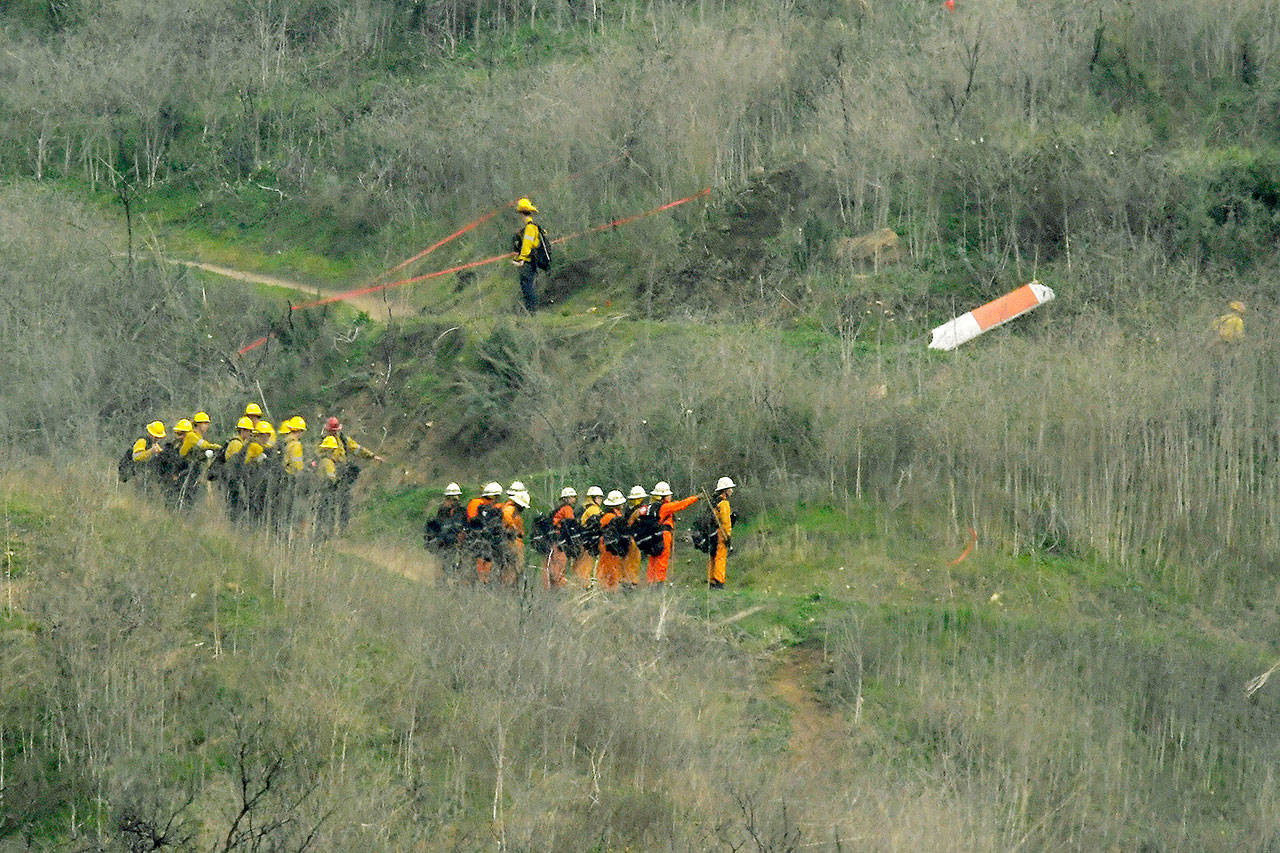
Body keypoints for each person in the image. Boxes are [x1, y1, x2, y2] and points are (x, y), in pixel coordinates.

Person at [320, 416, 384, 533]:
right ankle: (327, 531)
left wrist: (371, 456)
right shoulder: (322, 442)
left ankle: (343, 529)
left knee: (344, 500)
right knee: (329, 504)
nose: (334, 433)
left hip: (342, 473)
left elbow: (356, 448)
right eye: (332, 431)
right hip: (328, 477)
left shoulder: (343, 439)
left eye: (335, 431)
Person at [645, 482, 700, 587]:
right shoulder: (665, 507)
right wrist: (695, 497)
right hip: (663, 535)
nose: (670, 496)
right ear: (663, 496)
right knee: (662, 560)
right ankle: (659, 585)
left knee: (653, 560)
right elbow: (681, 505)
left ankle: (651, 584)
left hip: (653, 535)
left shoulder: (651, 507)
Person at [426, 483, 467, 583]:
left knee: (459, 565)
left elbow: (465, 526)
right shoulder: (441, 511)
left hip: (457, 543)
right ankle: (441, 584)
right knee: (442, 564)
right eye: (450, 499)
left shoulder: (461, 511)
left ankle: (457, 584)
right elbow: (438, 528)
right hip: (443, 543)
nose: (452, 502)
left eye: (454, 499)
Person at [467, 481, 504, 584]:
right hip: (482, 538)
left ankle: (484, 580)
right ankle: (484, 581)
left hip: (480, 537)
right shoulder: (483, 506)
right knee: (485, 558)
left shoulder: (479, 505)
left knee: (485, 558)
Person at [511, 197, 544, 311]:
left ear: (522, 214)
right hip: (529, 262)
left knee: (527, 288)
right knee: (527, 288)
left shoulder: (530, 228)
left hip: (528, 263)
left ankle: (531, 312)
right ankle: (530, 311)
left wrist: (520, 260)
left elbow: (527, 246)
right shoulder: (530, 228)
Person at [546, 487, 578, 589]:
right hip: (559, 541)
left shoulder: (559, 509)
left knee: (554, 567)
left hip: (554, 540)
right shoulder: (567, 509)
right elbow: (570, 526)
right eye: (572, 497)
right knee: (559, 567)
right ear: (567, 499)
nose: (574, 499)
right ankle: (559, 590)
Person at [596, 490, 627, 592]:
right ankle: (606, 590)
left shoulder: (613, 515)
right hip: (608, 546)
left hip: (611, 545)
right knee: (609, 569)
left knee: (613, 568)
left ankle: (610, 589)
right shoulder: (610, 516)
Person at [573, 486, 604, 587]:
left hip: (581, 541)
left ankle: (578, 585)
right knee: (586, 566)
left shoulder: (583, 509)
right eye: (599, 497)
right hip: (588, 542)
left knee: (580, 566)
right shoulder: (594, 509)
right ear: (593, 498)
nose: (601, 500)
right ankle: (585, 587)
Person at [708, 477, 736, 589]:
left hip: (712, 532)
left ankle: (712, 581)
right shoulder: (724, 503)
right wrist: (728, 536)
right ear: (725, 490)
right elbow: (726, 522)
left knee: (713, 556)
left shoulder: (714, 501)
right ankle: (719, 582)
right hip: (721, 534)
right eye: (730, 488)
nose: (732, 491)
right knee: (720, 557)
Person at [312, 435, 342, 538]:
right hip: (327, 492)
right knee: (327, 514)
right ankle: (326, 536)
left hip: (321, 491)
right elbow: (331, 479)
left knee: (320, 514)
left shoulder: (322, 460)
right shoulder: (329, 463)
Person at [498, 490, 530, 587]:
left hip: (513, 541)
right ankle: (509, 587)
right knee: (514, 567)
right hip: (511, 542)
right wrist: (513, 528)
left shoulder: (512, 510)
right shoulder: (509, 509)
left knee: (513, 568)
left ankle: (510, 586)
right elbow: (507, 518)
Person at [622, 485, 648, 591]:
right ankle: (630, 582)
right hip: (633, 539)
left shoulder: (632, 510)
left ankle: (629, 581)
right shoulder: (637, 511)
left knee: (631, 562)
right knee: (632, 562)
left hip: (633, 538)